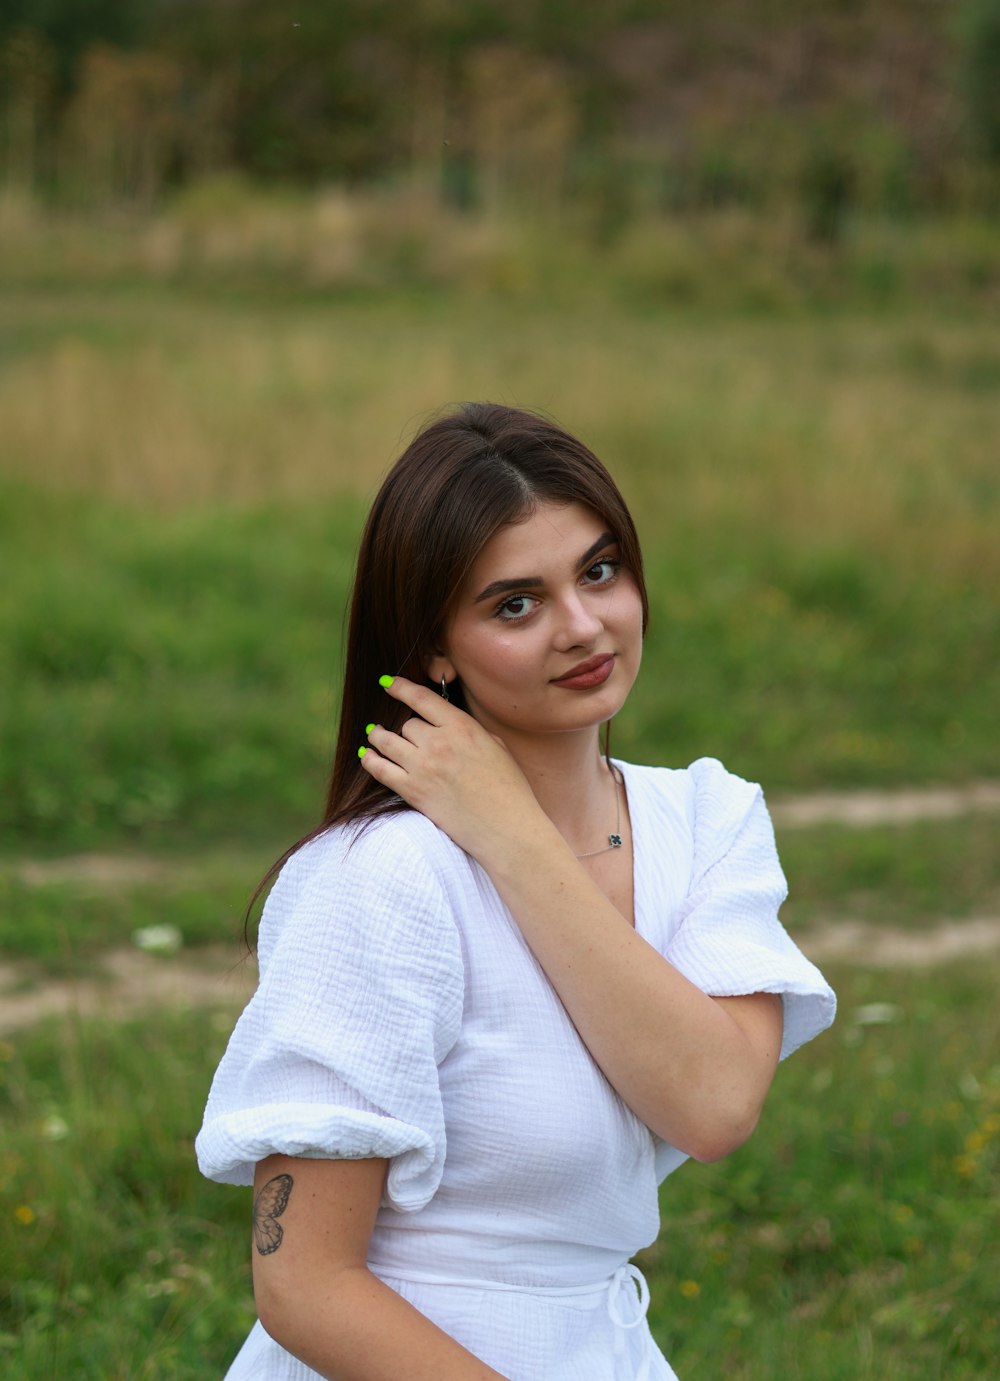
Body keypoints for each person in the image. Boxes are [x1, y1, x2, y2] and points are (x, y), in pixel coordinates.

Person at [196, 402, 836, 1381]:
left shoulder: (708, 821)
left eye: (598, 570)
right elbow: (301, 1286)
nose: (582, 626)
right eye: (514, 603)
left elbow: (710, 1104)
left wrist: (514, 838)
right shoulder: (381, 875)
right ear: (434, 653)